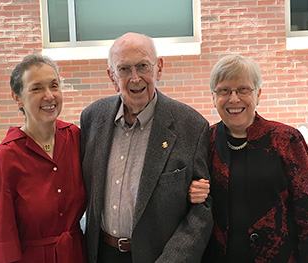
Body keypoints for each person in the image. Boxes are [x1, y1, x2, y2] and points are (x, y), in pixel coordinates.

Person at [80, 32, 213, 263]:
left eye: (143, 66)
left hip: (159, 257)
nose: (135, 78)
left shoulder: (191, 126)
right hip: (101, 254)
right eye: (124, 69)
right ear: (112, 76)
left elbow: (202, 211)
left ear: (158, 68)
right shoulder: (92, 119)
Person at [190, 54, 308, 262]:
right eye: (225, 90)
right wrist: (190, 191)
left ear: (258, 94)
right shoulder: (206, 142)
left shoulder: (286, 140)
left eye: (243, 89)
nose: (234, 99)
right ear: (214, 97)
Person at [0, 54, 87, 262]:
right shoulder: (4, 161)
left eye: (54, 86)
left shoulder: (75, 138)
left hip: (76, 255)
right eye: (37, 88)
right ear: (17, 97)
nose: (49, 96)